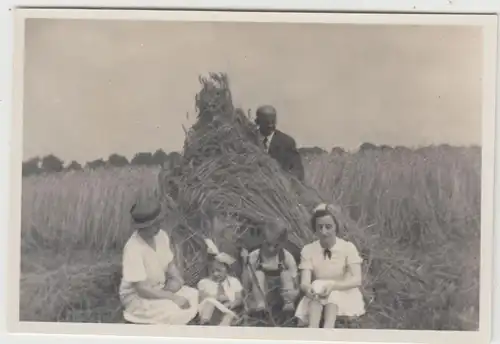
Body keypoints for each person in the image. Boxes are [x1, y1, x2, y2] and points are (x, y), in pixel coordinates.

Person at [119, 197, 199, 325]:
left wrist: (177, 280)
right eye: (154, 224)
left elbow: (170, 266)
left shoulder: (161, 236)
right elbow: (142, 289)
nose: (159, 226)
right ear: (143, 227)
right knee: (173, 309)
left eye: (159, 222)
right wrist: (172, 297)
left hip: (160, 289)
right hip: (138, 297)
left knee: (194, 295)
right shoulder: (133, 248)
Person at [295, 203, 365, 328]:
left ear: (336, 227)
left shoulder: (347, 248)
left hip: (344, 291)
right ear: (315, 229)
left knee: (333, 295)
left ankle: (328, 330)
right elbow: (305, 282)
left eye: (328, 227)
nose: (324, 232)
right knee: (316, 287)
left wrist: (333, 286)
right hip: (319, 293)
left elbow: (357, 279)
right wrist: (307, 289)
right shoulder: (309, 249)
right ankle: (313, 329)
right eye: (319, 227)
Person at [245, 219, 300, 312]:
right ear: (262, 240)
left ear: (283, 244)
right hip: (262, 293)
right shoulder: (254, 256)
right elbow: (247, 283)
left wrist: (294, 293)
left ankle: (288, 304)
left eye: (276, 246)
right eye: (268, 244)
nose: (271, 249)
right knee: (258, 274)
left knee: (285, 274)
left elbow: (295, 281)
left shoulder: (286, 257)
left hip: (280, 295)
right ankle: (260, 306)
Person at [197, 239, 244, 326]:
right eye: (213, 271)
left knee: (228, 315)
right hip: (209, 310)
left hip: (226, 309)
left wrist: (232, 303)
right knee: (210, 303)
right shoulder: (204, 282)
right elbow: (201, 299)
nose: (215, 274)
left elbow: (239, 299)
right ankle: (204, 323)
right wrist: (216, 298)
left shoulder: (234, 281)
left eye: (219, 270)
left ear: (227, 269)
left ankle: (221, 330)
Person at [255, 105, 305, 181]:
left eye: (273, 122)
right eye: (266, 122)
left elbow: (297, 170)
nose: (270, 125)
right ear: (257, 121)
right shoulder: (248, 139)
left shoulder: (287, 143)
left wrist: (284, 182)